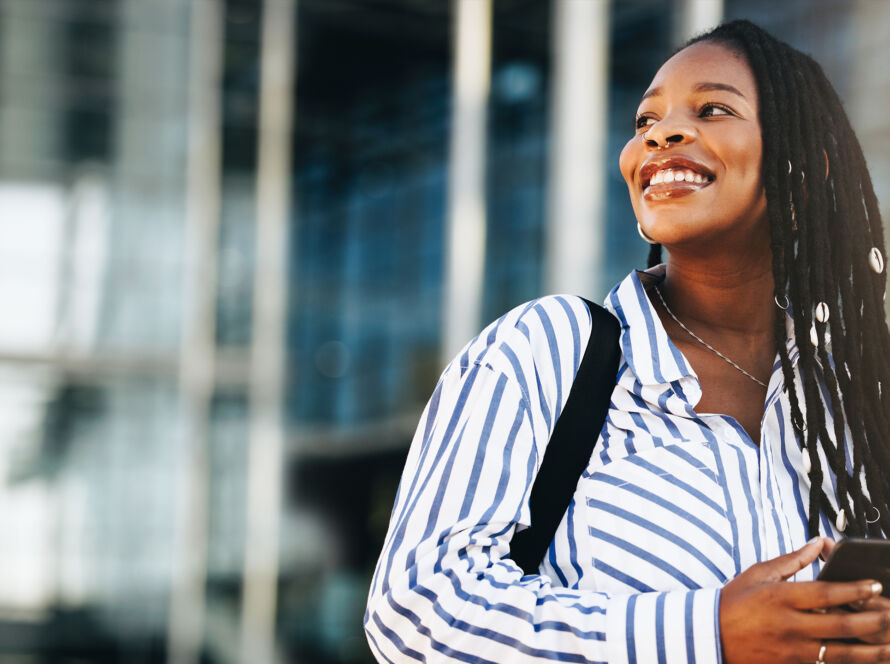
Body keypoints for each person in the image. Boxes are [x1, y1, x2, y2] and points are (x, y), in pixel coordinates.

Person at [364, 19, 890, 664]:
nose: (661, 133)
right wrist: (710, 631)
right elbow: (417, 611)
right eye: (645, 122)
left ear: (805, 164)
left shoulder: (854, 400)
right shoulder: (545, 349)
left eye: (713, 109)